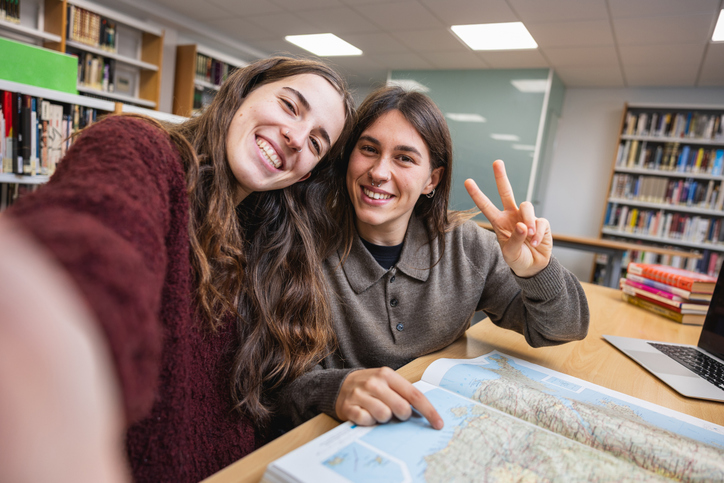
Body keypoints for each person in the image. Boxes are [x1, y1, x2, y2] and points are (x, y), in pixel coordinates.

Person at [0, 56, 355, 482]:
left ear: (306, 175)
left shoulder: (269, 245)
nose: (297, 138)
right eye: (289, 106)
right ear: (240, 93)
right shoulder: (139, 150)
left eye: (317, 142)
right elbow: (94, 263)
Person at [276, 86, 590, 430]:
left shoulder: (467, 246)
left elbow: (564, 329)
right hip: (335, 435)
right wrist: (333, 389)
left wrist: (536, 272)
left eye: (404, 158)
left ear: (431, 180)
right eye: (368, 149)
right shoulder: (299, 246)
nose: (379, 172)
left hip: (437, 425)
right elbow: (271, 386)